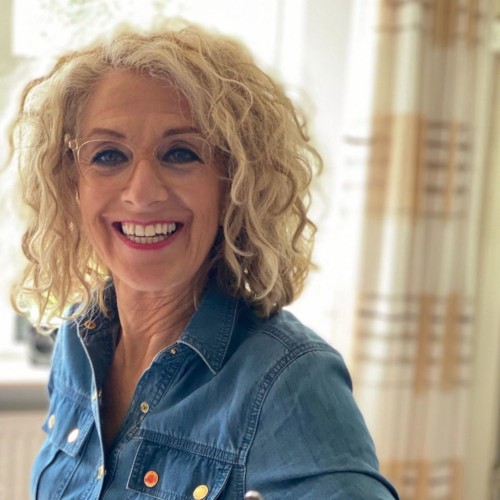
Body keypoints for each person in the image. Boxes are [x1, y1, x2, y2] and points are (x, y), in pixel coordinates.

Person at [10, 20, 399, 499]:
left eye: (180, 153)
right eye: (109, 155)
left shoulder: (290, 378)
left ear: (233, 182)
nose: (142, 193)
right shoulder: (78, 340)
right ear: (71, 180)